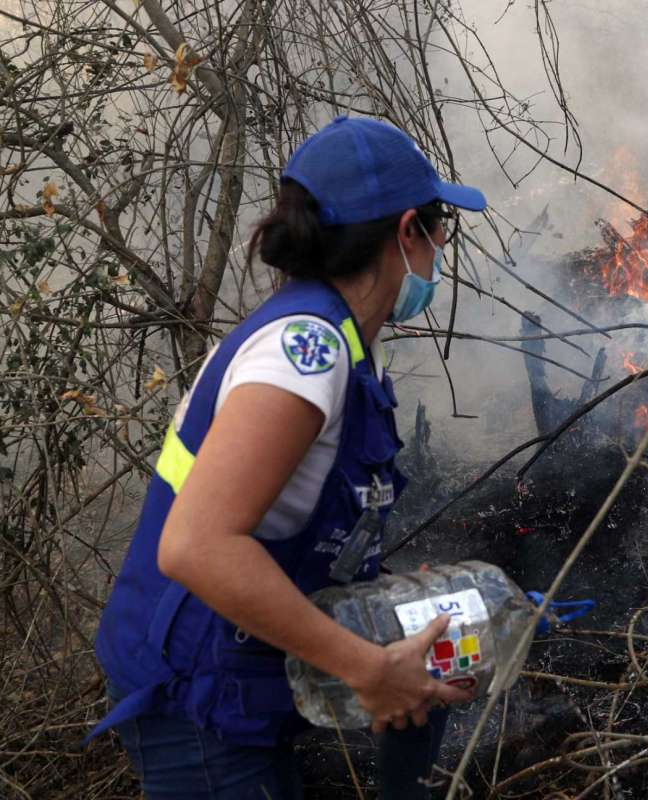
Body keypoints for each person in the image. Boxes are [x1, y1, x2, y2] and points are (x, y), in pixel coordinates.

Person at [85, 116, 487, 798]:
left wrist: (382, 595)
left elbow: (287, 526)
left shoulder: (346, 345)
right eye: (441, 223)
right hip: (200, 701)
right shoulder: (304, 354)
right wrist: (366, 667)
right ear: (407, 231)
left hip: (244, 683)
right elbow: (197, 545)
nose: (444, 243)